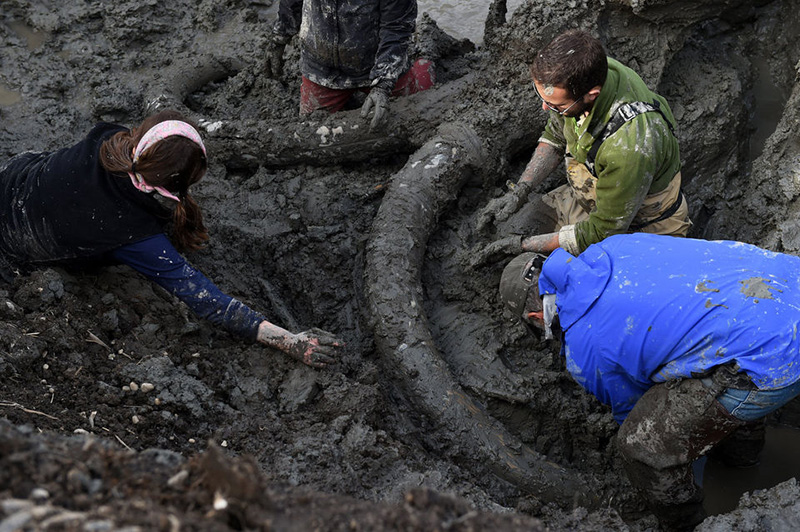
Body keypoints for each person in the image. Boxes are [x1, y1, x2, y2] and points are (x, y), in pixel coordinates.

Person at [498, 233, 800, 530]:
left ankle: (689, 524)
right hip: (783, 286)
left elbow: (634, 408)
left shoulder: (585, 351)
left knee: (642, 446)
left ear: (538, 317)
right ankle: (742, 461)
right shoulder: (611, 246)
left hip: (777, 358)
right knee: (719, 353)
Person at [0, 110, 342, 369]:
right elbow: (206, 298)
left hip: (15, 178)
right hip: (16, 247)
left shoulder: (107, 136)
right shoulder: (136, 235)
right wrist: (289, 341)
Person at [474, 29, 691, 264]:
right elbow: (556, 135)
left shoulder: (629, 146)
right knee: (522, 223)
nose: (546, 109)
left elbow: (603, 231)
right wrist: (521, 189)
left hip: (643, 224)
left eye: (557, 106)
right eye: (543, 99)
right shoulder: (586, 71)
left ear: (592, 95)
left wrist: (521, 246)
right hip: (596, 192)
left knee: (541, 274)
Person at [263, 0, 435, 130]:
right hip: (323, 69)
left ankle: (425, 63)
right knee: (310, 129)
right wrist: (279, 38)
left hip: (377, 63)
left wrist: (383, 84)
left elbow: (396, 27)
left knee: (413, 114)